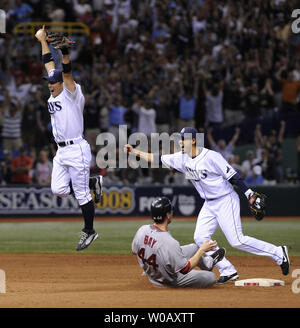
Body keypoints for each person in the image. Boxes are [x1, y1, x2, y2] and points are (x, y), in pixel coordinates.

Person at [125, 127, 290, 283]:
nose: (181, 142)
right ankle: (227, 270)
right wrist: (135, 152)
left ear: (194, 141)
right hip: (209, 203)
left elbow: (233, 176)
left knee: (237, 240)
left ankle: (278, 253)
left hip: (226, 199)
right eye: (180, 140)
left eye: (184, 140)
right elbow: (158, 159)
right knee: (200, 237)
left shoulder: (211, 156)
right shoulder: (181, 158)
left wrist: (248, 193)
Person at [35, 26, 103, 251]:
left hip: (76, 148)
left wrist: (64, 53)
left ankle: (89, 231)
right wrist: (42, 40)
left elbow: (66, 73)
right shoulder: (54, 91)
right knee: (58, 189)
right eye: (48, 82)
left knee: (82, 194)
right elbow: (49, 65)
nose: (49, 84)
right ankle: (93, 182)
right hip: (61, 151)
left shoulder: (72, 92)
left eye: (52, 82)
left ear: (60, 83)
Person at [132, 197, 226, 288]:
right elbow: (185, 269)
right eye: (170, 211)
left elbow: (134, 251)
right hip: (168, 280)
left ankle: (207, 263)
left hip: (152, 272)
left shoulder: (142, 230)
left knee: (193, 248)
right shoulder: (169, 242)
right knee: (211, 277)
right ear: (168, 215)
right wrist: (202, 250)